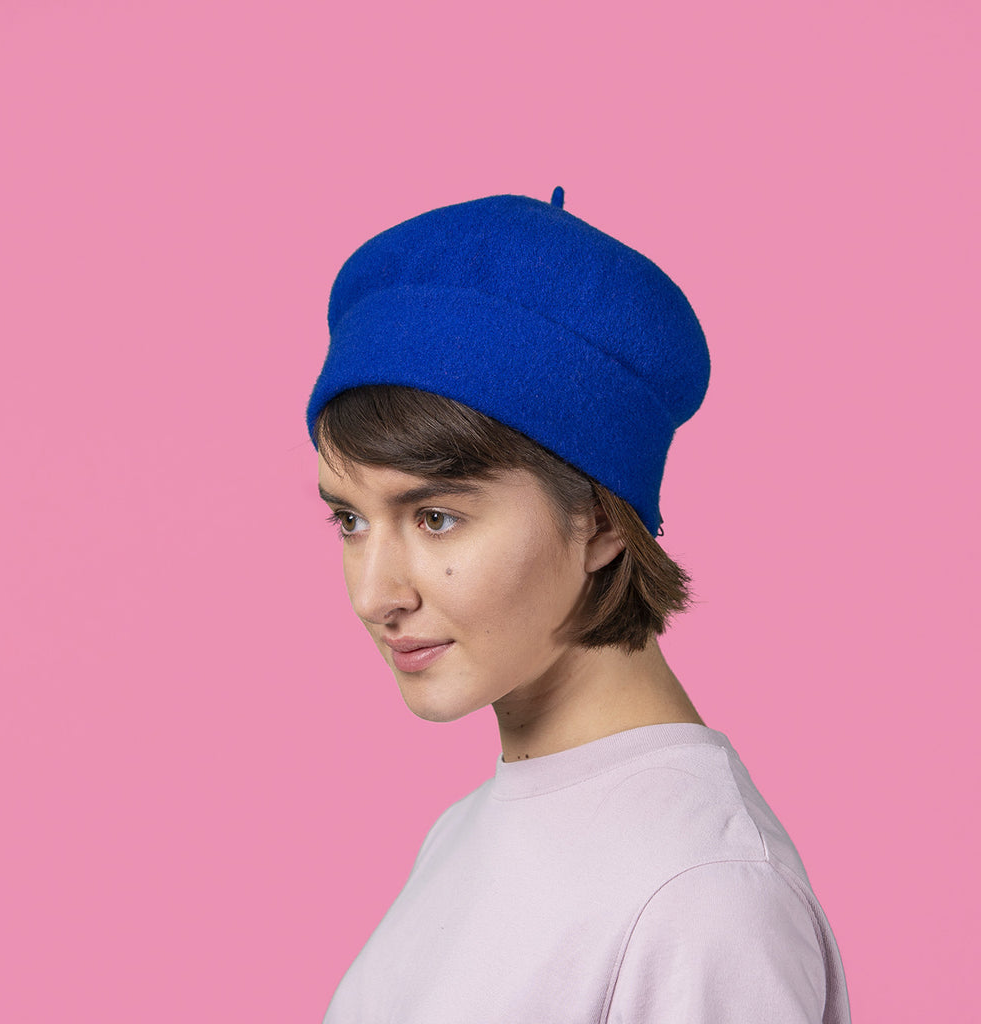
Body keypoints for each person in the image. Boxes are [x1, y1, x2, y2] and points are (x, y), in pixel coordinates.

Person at [305, 188, 851, 1022]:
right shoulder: (467, 832)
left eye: (436, 518)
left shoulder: (700, 897)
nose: (374, 594)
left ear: (598, 519)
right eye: (350, 520)